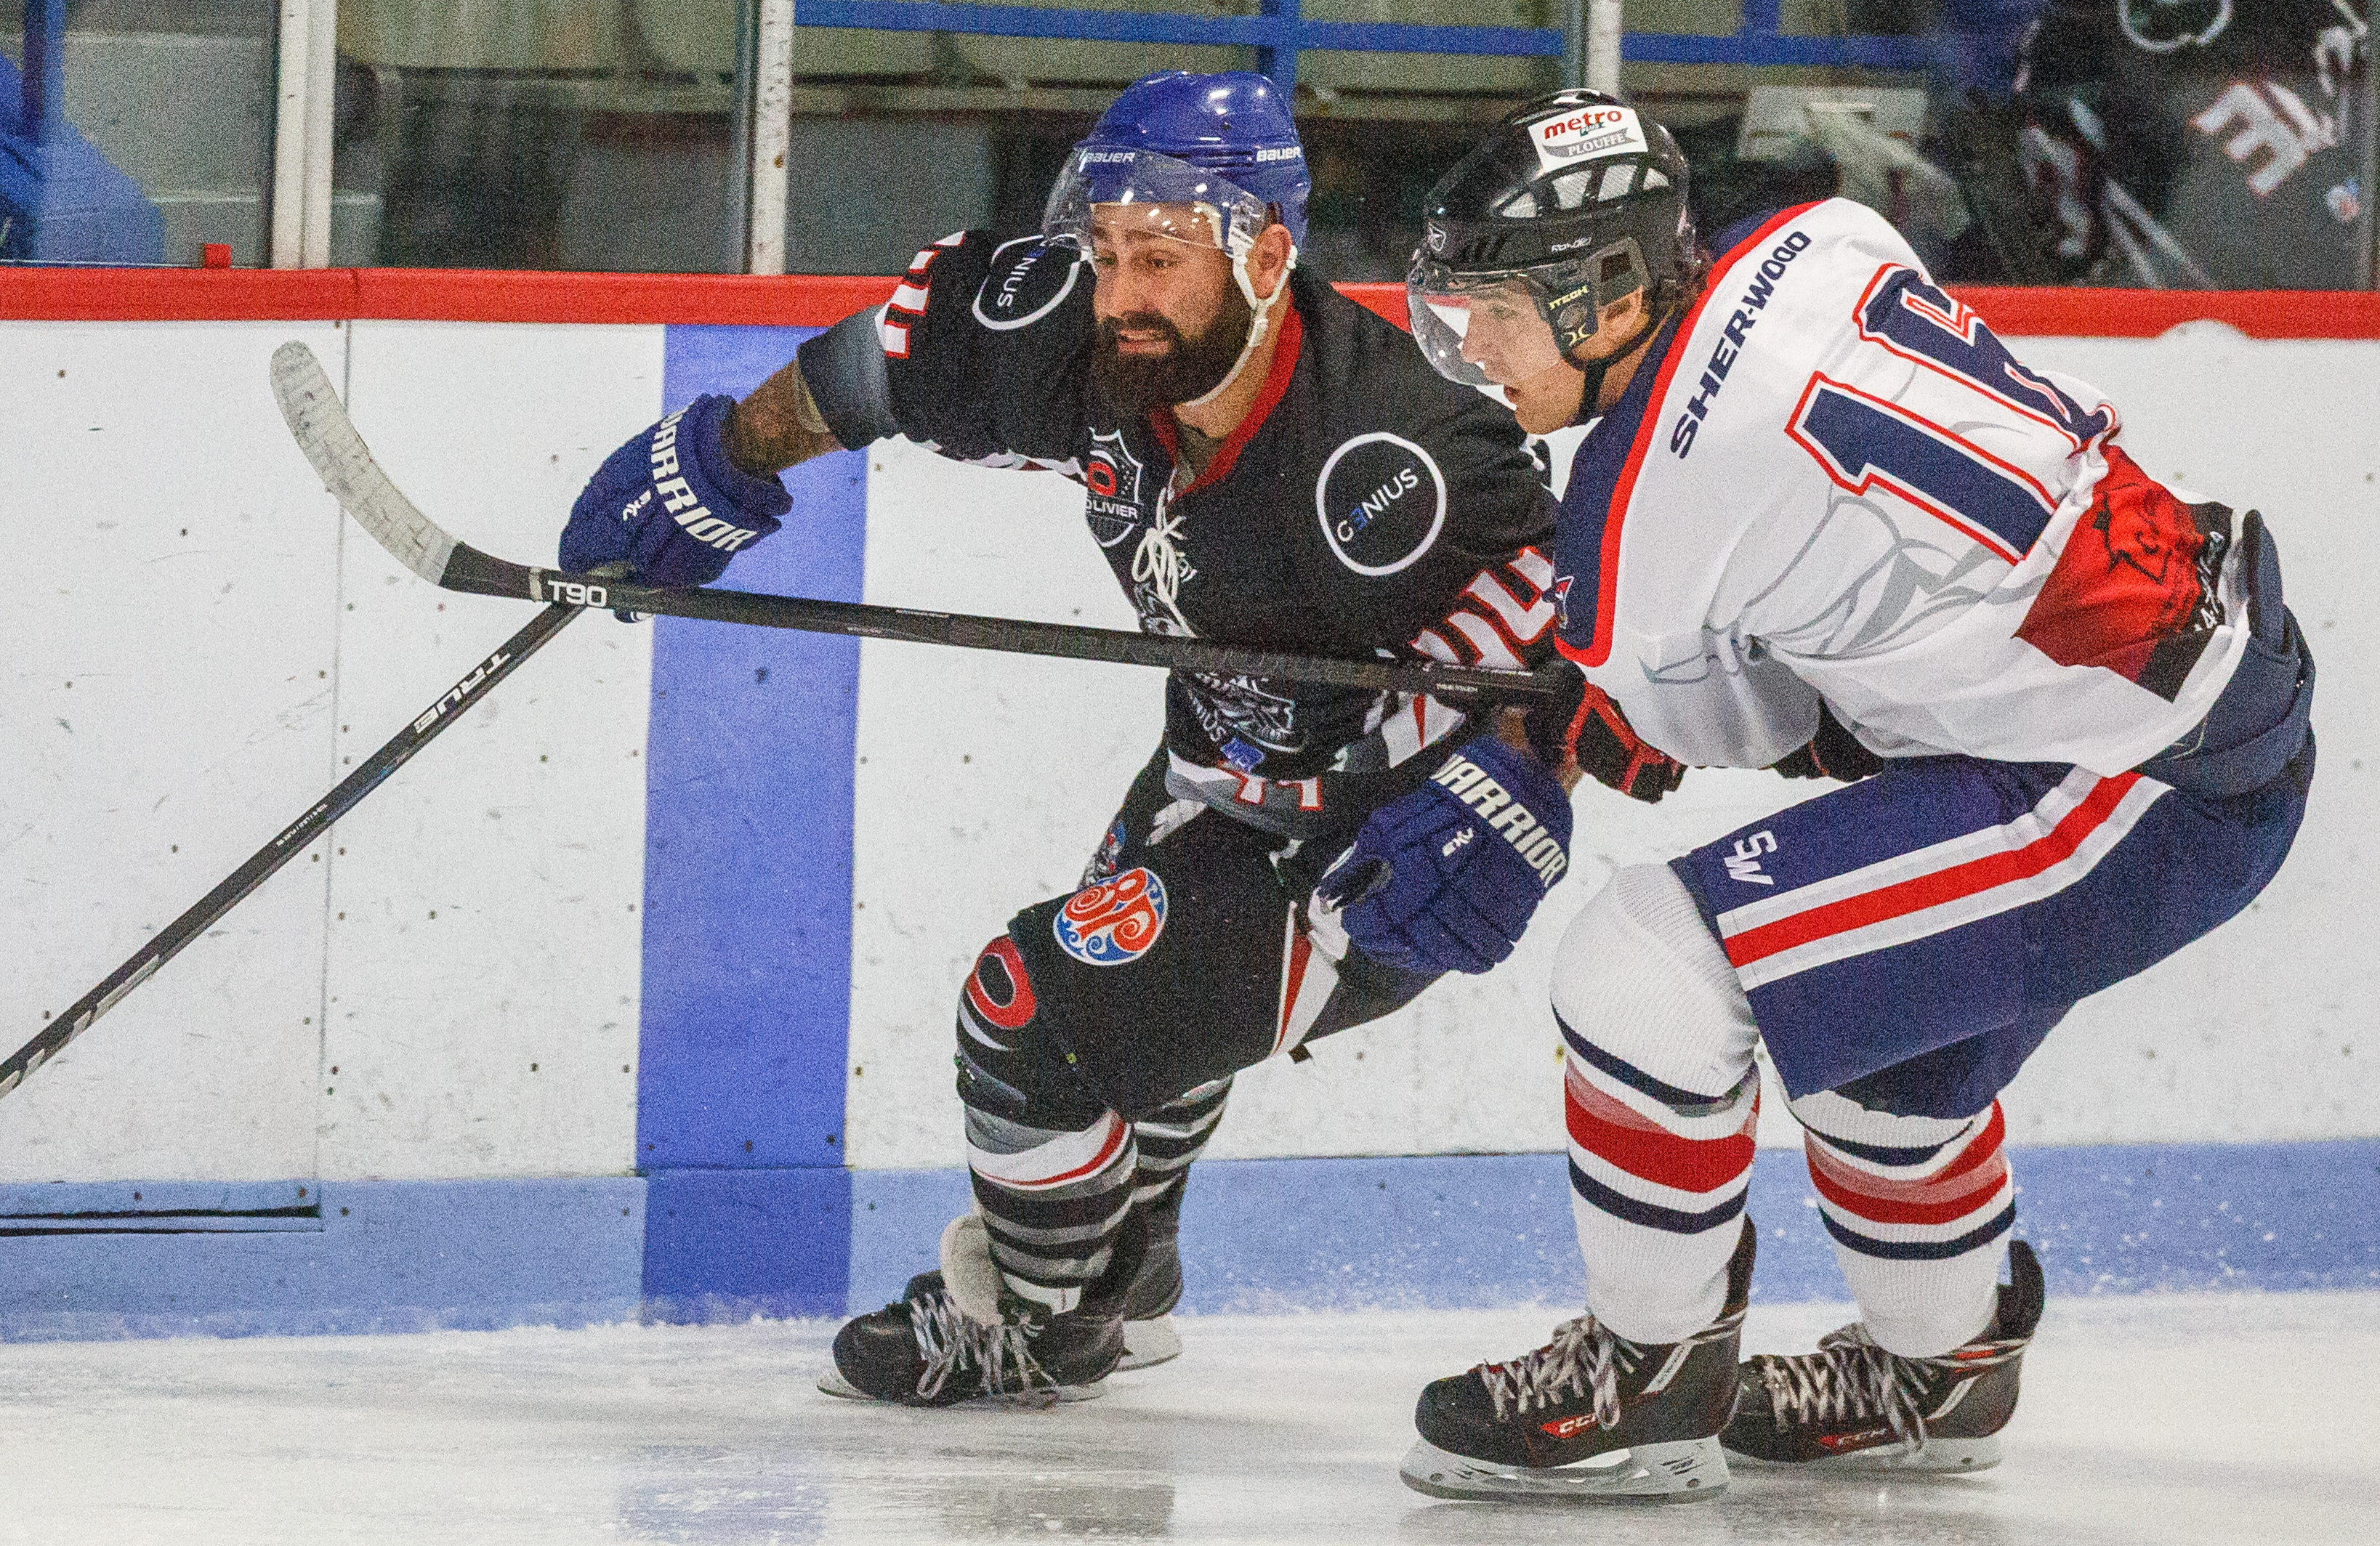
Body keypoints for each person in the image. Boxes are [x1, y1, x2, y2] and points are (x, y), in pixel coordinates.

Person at [1343, 89, 2313, 1500]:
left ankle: (1647, 1368)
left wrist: (1573, 730)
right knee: (1872, 1035)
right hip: (2197, 677)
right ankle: (1943, 1363)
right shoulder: (1816, 242)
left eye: (1492, 311)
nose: (1469, 350)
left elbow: (1740, 725)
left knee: (1646, 963)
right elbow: (1837, 612)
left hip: (2133, 771)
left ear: (1607, 293)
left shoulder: (1639, 513)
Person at [556, 71, 1579, 1404]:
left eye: (1160, 259)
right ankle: (1126, 1281)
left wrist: (1514, 781)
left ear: (1268, 253)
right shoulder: (1085, 336)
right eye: (1105, 255)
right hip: (1210, 770)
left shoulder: (1403, 443)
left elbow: (1563, 623)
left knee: (1026, 1016)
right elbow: (888, 366)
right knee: (1139, 1036)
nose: (1119, 295)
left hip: (1370, 849)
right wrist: (731, 460)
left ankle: (1038, 1320)